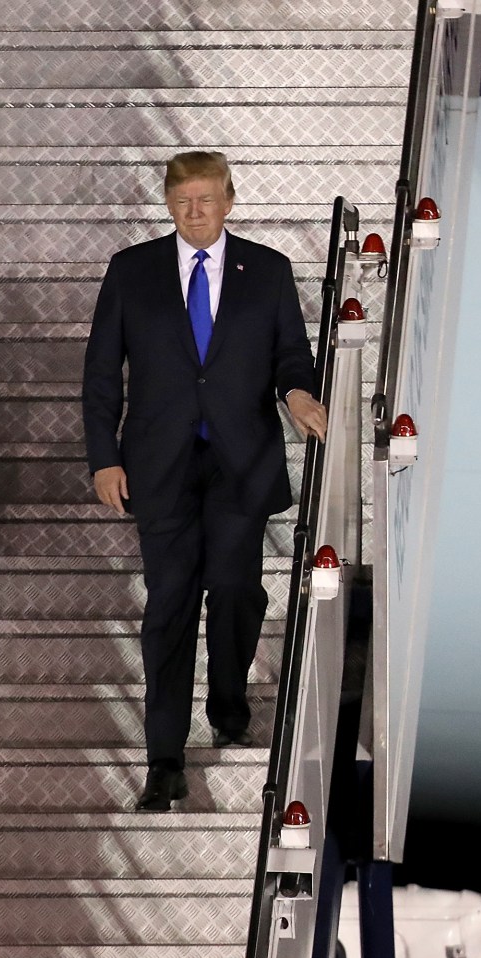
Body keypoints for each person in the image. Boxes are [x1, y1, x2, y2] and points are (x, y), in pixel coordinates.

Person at [82, 150, 327, 811]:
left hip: (239, 461)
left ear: (229, 200)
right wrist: (104, 456)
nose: (195, 210)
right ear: (168, 202)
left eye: (207, 199)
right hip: (159, 466)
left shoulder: (267, 271)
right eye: (183, 199)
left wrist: (299, 396)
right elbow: (103, 372)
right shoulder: (132, 271)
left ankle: (227, 704)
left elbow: (290, 356)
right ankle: (164, 758)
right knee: (169, 607)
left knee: (237, 589)